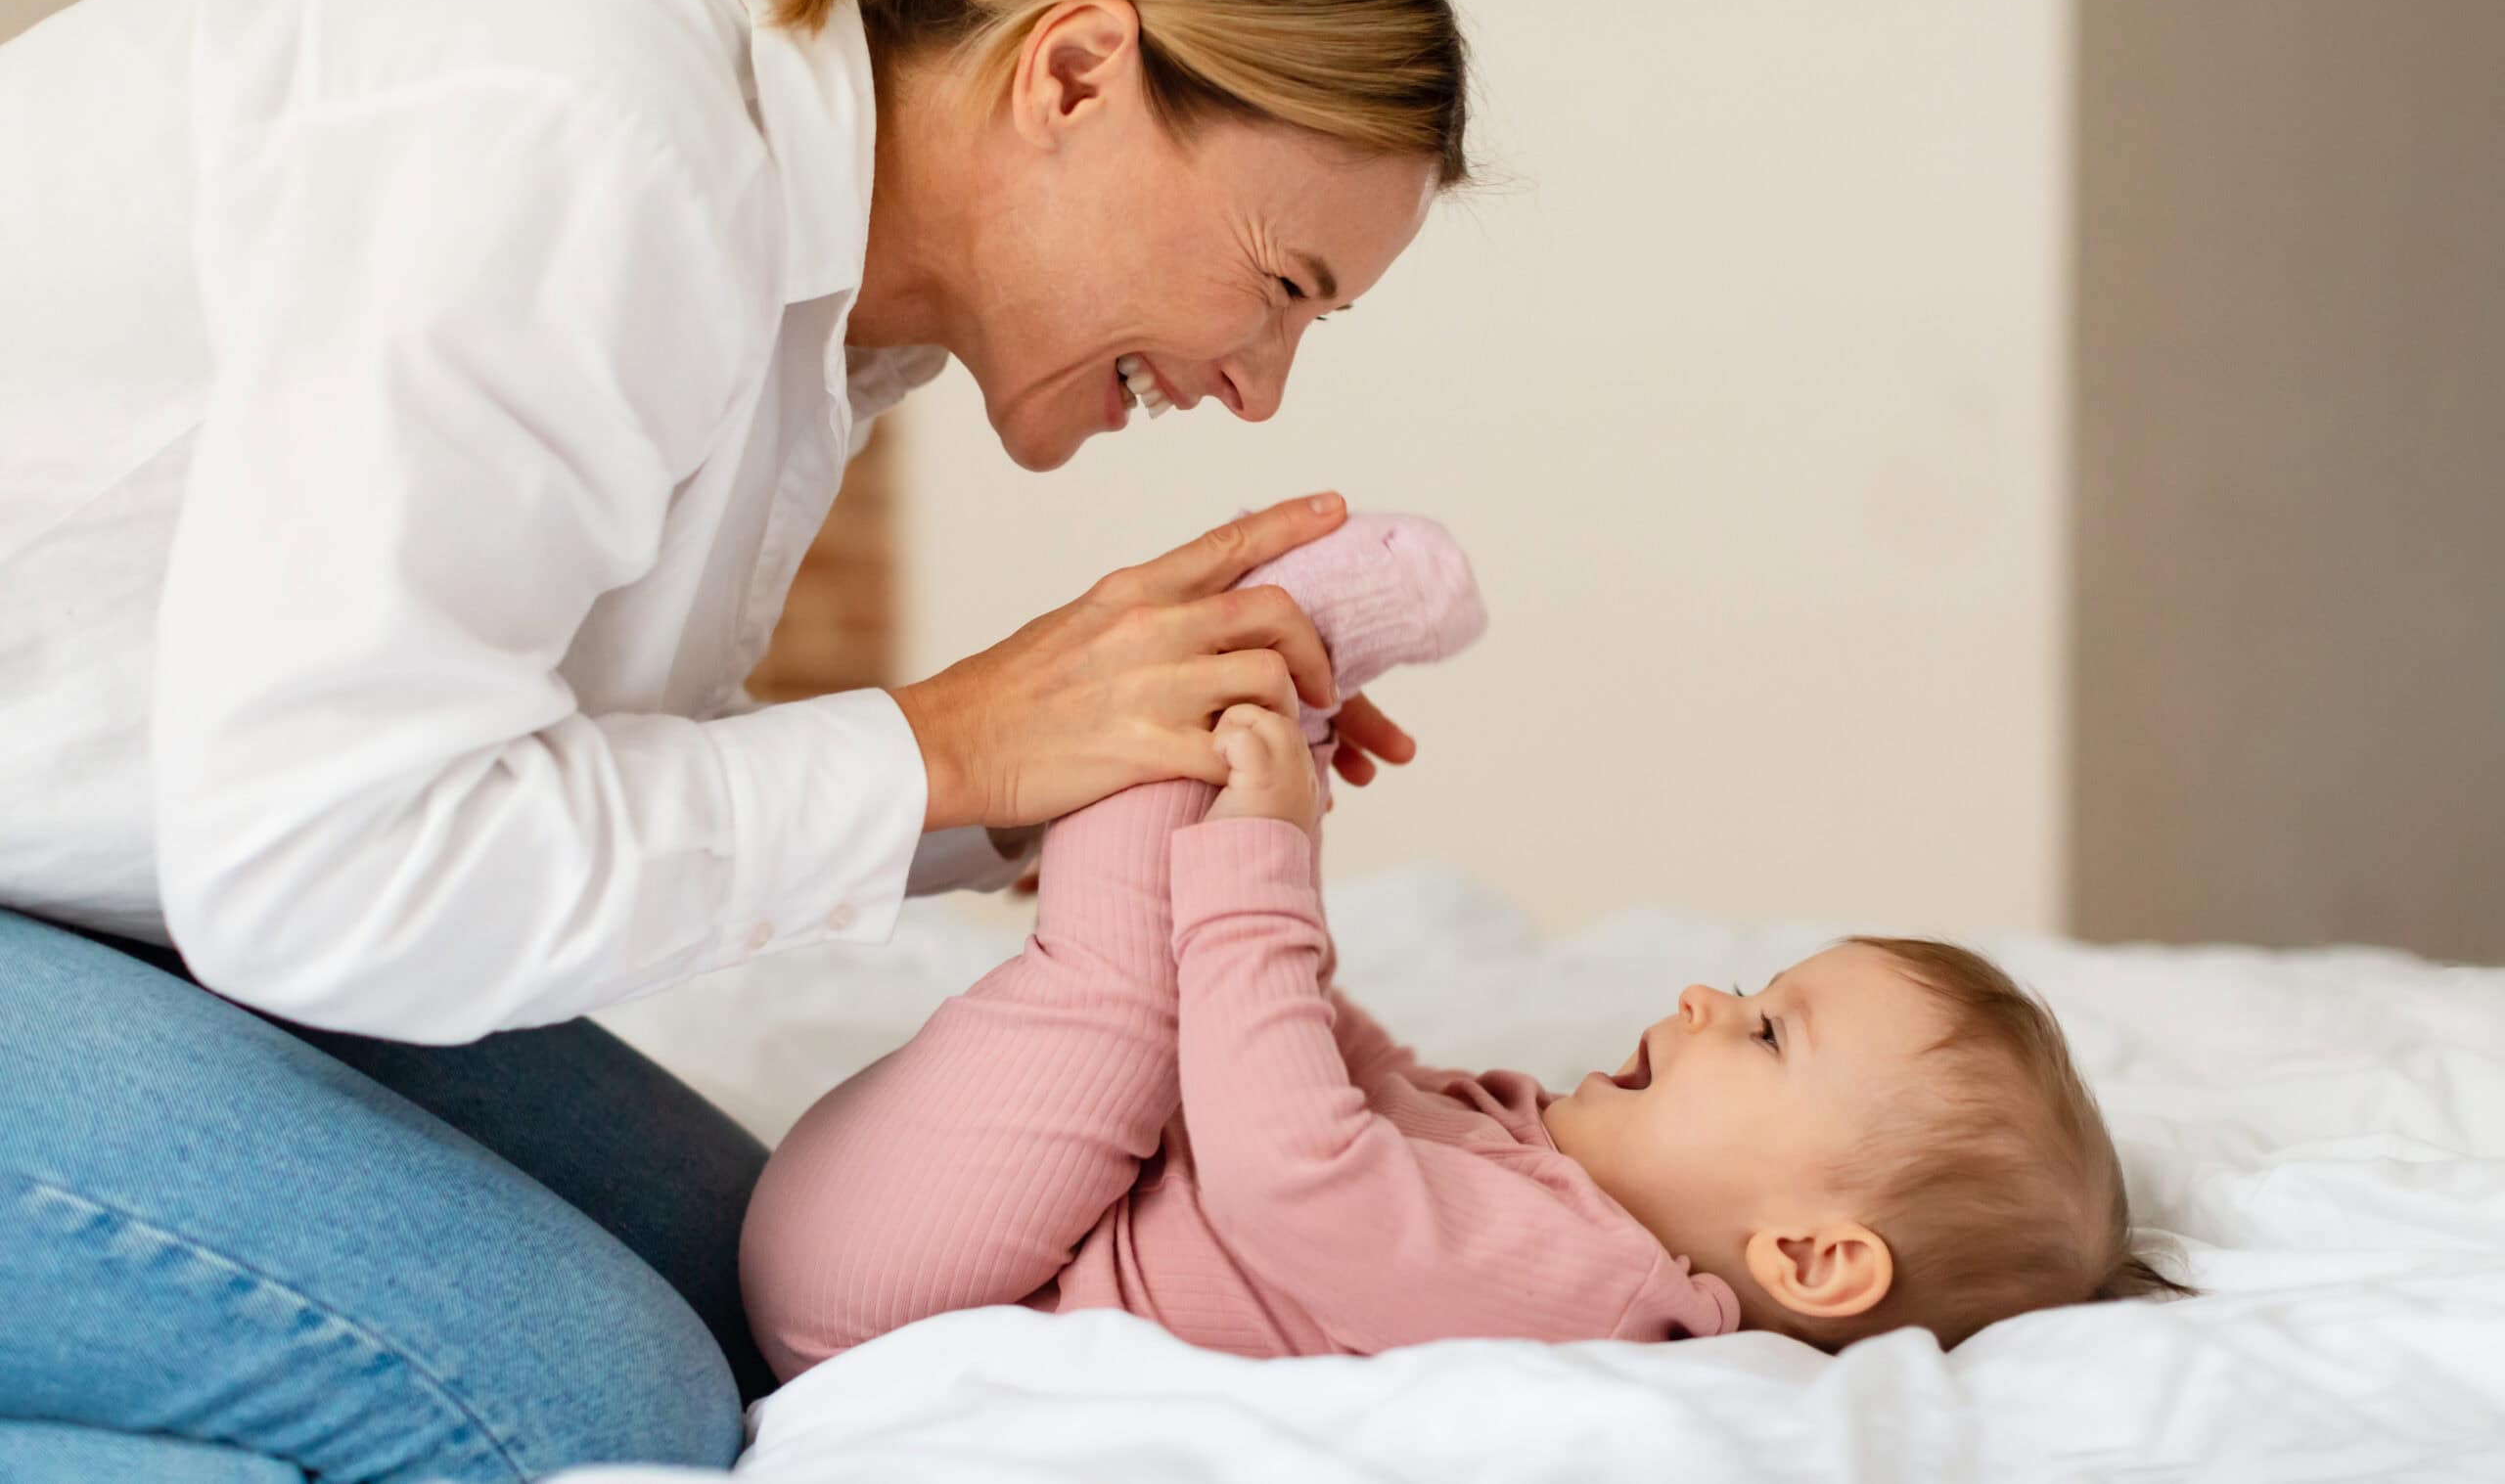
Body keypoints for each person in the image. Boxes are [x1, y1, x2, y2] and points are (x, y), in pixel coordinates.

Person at [0, 0, 1469, 1476]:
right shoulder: (592, 142)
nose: (1257, 385)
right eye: (1281, 285)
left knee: (751, 1304)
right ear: (1073, 75)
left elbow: (495, 772)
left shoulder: (810, 306)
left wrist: (1050, 776)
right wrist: (950, 738)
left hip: (115, 888)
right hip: (179, 896)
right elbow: (321, 874)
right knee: (579, 1415)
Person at [743, 516, 2195, 1370]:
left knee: (1128, 996)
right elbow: (1327, 1065)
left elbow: (1295, 1174)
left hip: (900, 1289)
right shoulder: (1552, 1177)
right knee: (1187, 995)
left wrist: (1264, 859)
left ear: (1809, 1258)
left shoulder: (1594, 1289)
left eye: (1764, 1031)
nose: (1703, 994)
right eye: (1748, 991)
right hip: (957, 1225)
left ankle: (1247, 656)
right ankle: (1242, 681)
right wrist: (1270, 882)